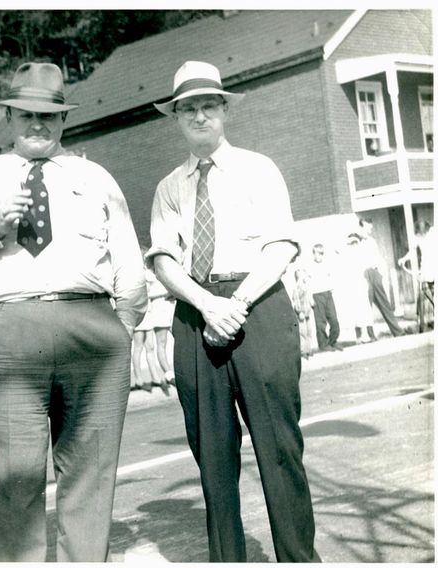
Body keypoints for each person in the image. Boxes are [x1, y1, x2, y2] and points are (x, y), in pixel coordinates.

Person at [0, 62, 147, 561]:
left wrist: (119, 330)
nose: (38, 124)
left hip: (91, 328)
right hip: (9, 330)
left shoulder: (94, 176)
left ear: (64, 121)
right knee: (15, 478)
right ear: (8, 114)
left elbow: (130, 263)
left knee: (90, 476)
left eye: (49, 116)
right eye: (28, 114)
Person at [147, 60, 320, 562]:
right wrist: (206, 305)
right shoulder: (168, 188)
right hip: (195, 313)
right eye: (187, 110)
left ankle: (298, 558)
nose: (198, 116)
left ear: (224, 111)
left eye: (207, 106)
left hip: (258, 308)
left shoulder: (257, 168)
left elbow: (282, 245)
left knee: (279, 448)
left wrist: (236, 305)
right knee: (213, 459)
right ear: (176, 119)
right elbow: (162, 259)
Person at [357, 217, 406, 337]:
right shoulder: (355, 241)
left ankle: (397, 331)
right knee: (366, 306)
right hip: (363, 275)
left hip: (374, 273)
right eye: (369, 227)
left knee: (384, 303)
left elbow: (377, 257)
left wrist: (380, 275)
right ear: (362, 225)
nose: (370, 229)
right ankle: (369, 335)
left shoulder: (372, 241)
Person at [132, 265, 174, 394]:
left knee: (150, 347)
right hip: (140, 312)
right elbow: (141, 294)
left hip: (149, 313)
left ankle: (156, 378)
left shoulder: (148, 274)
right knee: (138, 347)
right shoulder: (138, 276)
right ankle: (139, 380)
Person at [344, 233, 378, 343]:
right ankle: (358, 337)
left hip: (362, 284)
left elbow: (369, 266)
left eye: (355, 243)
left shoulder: (362, 255)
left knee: (367, 310)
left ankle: (371, 335)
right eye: (351, 243)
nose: (353, 245)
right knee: (356, 312)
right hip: (352, 286)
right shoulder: (347, 258)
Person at [309, 243, 342, 351]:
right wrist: (310, 298)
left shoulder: (326, 265)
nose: (320, 256)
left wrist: (332, 290)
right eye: (318, 253)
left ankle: (333, 341)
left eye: (322, 254)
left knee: (334, 320)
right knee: (321, 322)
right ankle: (323, 345)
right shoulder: (310, 267)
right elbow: (307, 284)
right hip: (317, 295)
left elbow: (331, 277)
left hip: (328, 294)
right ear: (313, 254)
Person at [291, 267, 316, 359]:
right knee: (303, 332)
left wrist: (312, 304)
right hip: (301, 313)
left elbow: (310, 298)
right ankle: (303, 351)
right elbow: (296, 300)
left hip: (308, 312)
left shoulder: (306, 286)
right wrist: (299, 311)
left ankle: (308, 349)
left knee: (309, 331)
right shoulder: (297, 288)